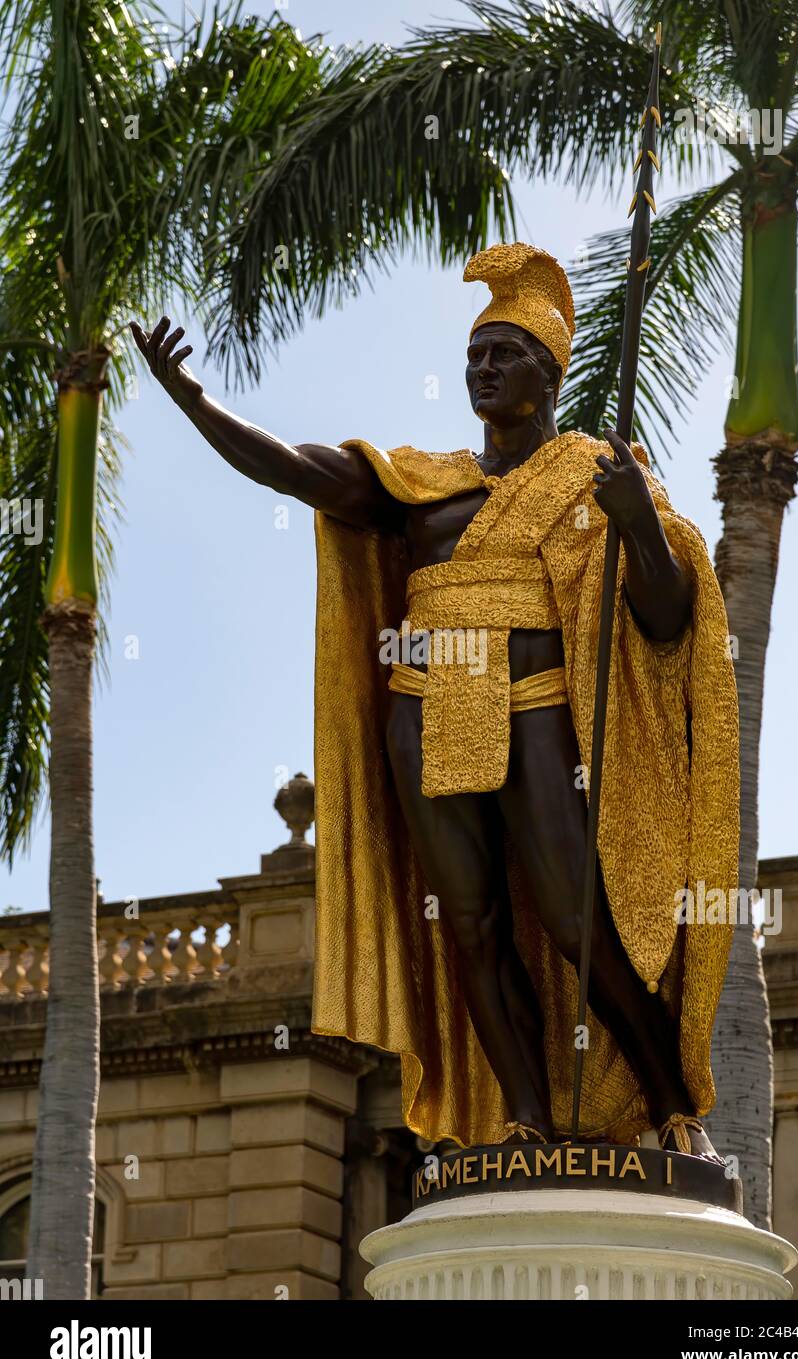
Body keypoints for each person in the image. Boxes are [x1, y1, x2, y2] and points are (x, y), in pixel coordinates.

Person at [133, 242, 739, 1159]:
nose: (483, 369)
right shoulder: (424, 486)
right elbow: (294, 471)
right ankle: (524, 1115)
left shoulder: (596, 476)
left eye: (504, 354)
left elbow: (664, 619)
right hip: (423, 711)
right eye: (474, 357)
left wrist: (640, 523)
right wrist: (194, 403)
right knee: (471, 924)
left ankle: (667, 1106)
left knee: (578, 920)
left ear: (550, 371)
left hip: (536, 706)